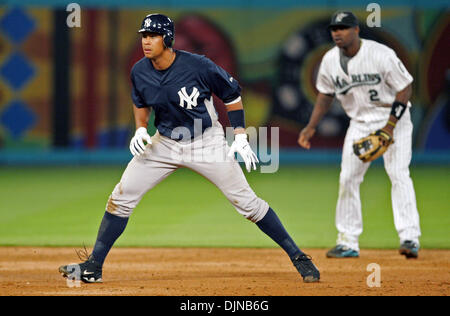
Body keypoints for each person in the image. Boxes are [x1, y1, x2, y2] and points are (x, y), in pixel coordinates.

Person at [59, 13, 320, 283]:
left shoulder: (198, 66)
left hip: (205, 142)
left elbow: (232, 95)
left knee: (248, 205)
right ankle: (94, 267)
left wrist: (240, 135)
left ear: (168, 39)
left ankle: (298, 257)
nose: (146, 41)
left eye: (153, 36)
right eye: (144, 36)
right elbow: (140, 101)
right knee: (121, 198)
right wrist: (140, 128)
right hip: (165, 143)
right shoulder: (139, 70)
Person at [298, 11, 421, 259]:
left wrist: (389, 127)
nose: (337, 32)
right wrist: (311, 126)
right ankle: (347, 241)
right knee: (347, 178)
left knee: (398, 174)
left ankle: (409, 237)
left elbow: (405, 87)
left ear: (356, 30)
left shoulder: (380, 54)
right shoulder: (330, 60)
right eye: (334, 29)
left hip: (393, 120)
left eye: (343, 28)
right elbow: (324, 95)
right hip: (360, 123)